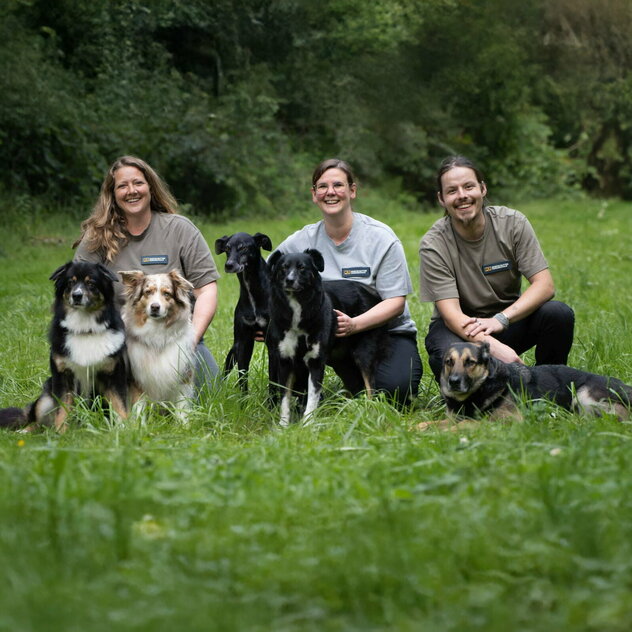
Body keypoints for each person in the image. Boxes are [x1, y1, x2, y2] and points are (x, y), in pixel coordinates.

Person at [273, 158, 423, 406]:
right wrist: (261, 317)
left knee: (394, 394)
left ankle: (371, 378)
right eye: (322, 186)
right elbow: (270, 272)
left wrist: (355, 324)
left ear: (352, 191)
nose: (330, 192)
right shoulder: (301, 241)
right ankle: (296, 394)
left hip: (384, 331)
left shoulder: (380, 238)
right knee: (298, 401)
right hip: (326, 337)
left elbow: (396, 302)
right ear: (314, 194)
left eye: (338, 185)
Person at [419, 155, 575, 381]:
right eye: (452, 191)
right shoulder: (434, 244)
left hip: (508, 321)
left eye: (469, 186)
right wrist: (491, 347)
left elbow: (545, 285)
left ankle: (548, 385)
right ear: (441, 199)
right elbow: (451, 315)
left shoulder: (512, 224)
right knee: (445, 355)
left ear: (482, 189)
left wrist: (500, 320)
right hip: (460, 328)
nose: (462, 196)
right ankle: (479, 399)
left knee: (558, 314)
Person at [73, 155, 220, 391]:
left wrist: (190, 341)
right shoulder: (97, 237)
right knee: (100, 402)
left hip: (176, 337)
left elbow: (207, 290)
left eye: (138, 183)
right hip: (121, 340)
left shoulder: (180, 229)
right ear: (113, 193)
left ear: (150, 186)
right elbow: (78, 291)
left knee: (211, 390)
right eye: (122, 186)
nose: (132, 191)